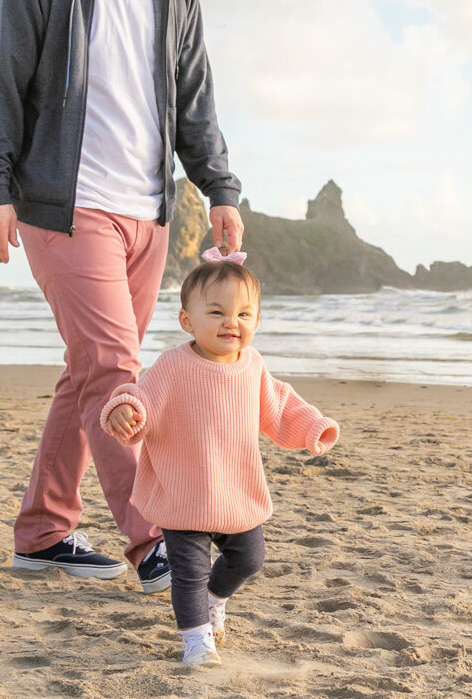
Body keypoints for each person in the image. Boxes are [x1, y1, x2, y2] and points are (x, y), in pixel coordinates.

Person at [0, 0, 244, 593]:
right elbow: (0, 82)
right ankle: (155, 540)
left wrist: (218, 188)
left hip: (147, 212)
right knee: (118, 370)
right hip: (65, 204)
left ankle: (43, 532)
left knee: (87, 375)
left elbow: (193, 102)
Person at [100, 252, 337, 665]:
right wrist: (124, 408)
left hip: (235, 490)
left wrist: (313, 426)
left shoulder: (253, 366)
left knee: (249, 559)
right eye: (217, 311)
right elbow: (141, 396)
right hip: (185, 492)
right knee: (187, 573)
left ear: (257, 322)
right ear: (187, 321)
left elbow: (279, 406)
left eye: (245, 313)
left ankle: (215, 599)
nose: (232, 322)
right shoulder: (174, 365)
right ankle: (196, 642)